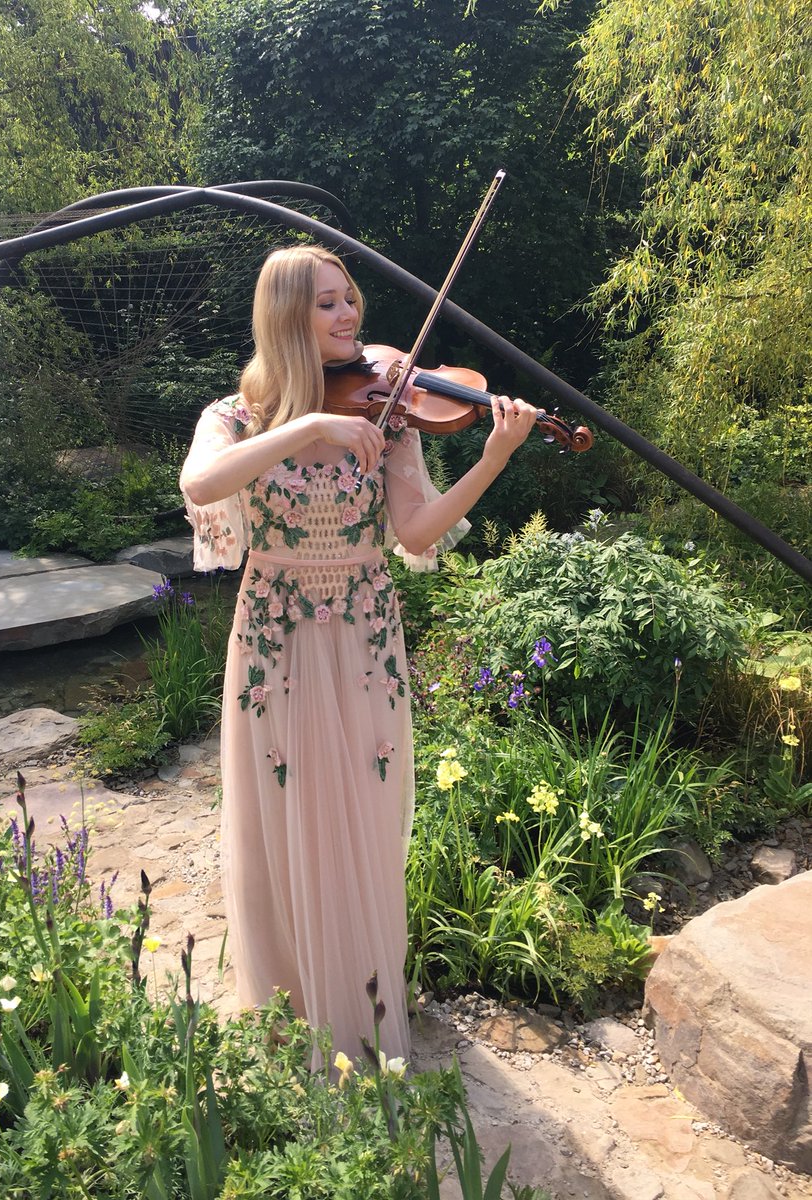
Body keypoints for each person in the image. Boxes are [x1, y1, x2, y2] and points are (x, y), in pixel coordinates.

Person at [179, 244, 537, 1067]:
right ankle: (292, 1008)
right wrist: (308, 424)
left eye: (350, 299)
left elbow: (413, 530)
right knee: (282, 822)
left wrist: (492, 458)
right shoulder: (233, 417)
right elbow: (201, 485)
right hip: (275, 640)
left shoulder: (389, 409)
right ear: (286, 317)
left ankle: (362, 1007)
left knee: (364, 822)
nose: (350, 316)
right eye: (328, 303)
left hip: (365, 635)